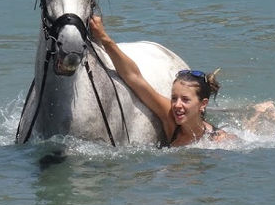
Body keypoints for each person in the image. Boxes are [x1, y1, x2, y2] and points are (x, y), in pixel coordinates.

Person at [89, 16, 236, 147]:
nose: (177, 105)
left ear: (203, 104)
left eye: (185, 100)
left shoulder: (218, 141)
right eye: (174, 98)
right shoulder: (171, 119)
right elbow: (134, 78)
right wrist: (104, 38)